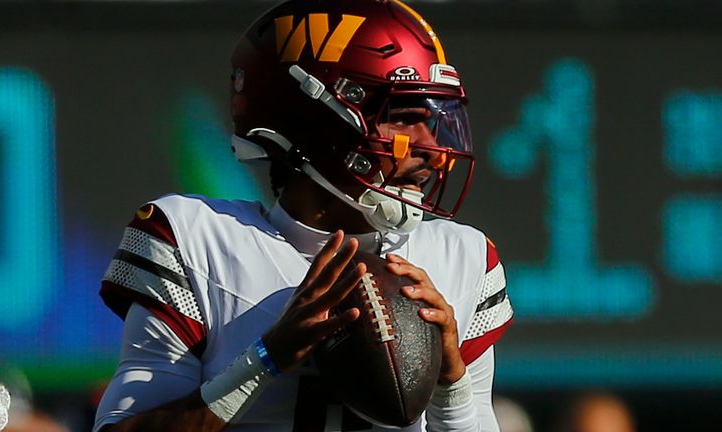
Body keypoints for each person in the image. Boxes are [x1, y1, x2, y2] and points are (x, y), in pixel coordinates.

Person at [93, 0, 513, 431]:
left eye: (432, 120)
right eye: (402, 118)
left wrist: (451, 384)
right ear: (313, 119)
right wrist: (265, 359)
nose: (430, 148)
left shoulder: (462, 256)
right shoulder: (194, 239)